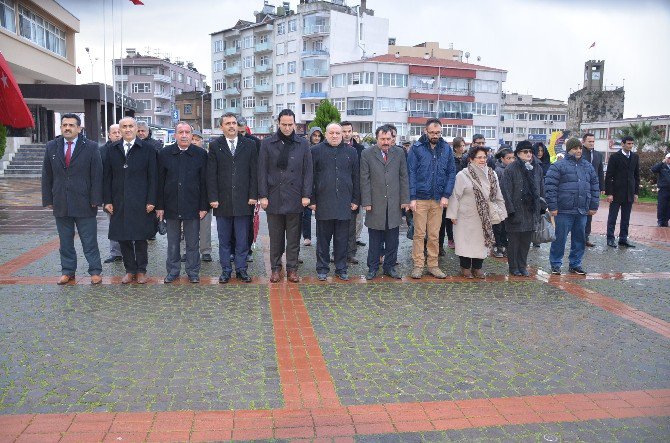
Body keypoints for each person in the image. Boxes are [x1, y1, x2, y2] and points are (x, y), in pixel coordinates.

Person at [42, 113, 103, 285]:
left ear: (79, 128)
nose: (67, 128)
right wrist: (48, 199)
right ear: (60, 127)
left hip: (85, 202)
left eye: (71, 125)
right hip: (61, 201)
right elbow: (46, 174)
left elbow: (97, 174)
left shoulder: (90, 146)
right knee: (65, 241)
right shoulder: (51, 146)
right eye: (64, 125)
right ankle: (68, 271)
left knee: (89, 240)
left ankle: (95, 271)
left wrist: (96, 199)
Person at [258, 109, 313, 283]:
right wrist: (263, 196)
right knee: (275, 237)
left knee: (294, 237)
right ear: (278, 124)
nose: (287, 128)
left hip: (295, 197)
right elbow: (262, 171)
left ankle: (292, 268)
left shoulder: (303, 144)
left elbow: (308, 171)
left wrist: (306, 195)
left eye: (290, 125)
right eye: (284, 124)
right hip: (274, 196)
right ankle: (275, 268)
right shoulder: (267, 143)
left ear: (295, 124)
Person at [103, 117, 157, 284]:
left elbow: (153, 177)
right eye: (124, 127)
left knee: (140, 237)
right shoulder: (112, 149)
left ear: (136, 128)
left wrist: (152, 200)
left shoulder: (148, 149)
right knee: (123, 236)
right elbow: (106, 177)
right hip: (119, 201)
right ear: (120, 129)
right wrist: (107, 201)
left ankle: (141, 270)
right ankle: (129, 269)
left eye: (130, 126)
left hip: (141, 200)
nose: (127, 129)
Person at [207, 113, 258, 283]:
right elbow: (211, 175)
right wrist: (213, 197)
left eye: (234, 123)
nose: (231, 126)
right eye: (227, 123)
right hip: (222, 201)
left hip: (244, 201)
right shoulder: (215, 146)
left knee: (242, 240)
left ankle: (242, 269)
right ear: (221, 127)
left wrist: (253, 195)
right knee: (224, 240)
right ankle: (226, 270)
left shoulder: (249, 145)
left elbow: (254, 173)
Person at [156, 122, 208, 284]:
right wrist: (160, 206)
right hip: (171, 204)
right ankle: (173, 271)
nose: (184, 135)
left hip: (193, 204)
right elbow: (159, 181)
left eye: (187, 132)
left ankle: (193, 271)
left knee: (192, 242)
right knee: (173, 242)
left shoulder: (201, 154)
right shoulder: (164, 154)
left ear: (192, 136)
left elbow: (205, 182)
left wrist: (203, 206)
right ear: (175, 135)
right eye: (180, 132)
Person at [446, 145, 507, 278]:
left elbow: (497, 194)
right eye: (479, 157)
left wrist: (502, 211)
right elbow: (455, 195)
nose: (482, 160)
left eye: (484, 157)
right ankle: (465, 267)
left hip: (484, 215)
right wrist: (452, 214)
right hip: (466, 215)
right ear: (471, 159)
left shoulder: (492, 174)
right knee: (465, 242)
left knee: (482, 242)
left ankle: (478, 267)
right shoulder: (462, 175)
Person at [310, 123, 360, 281]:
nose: (335, 136)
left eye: (337, 133)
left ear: (343, 135)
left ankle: (341, 268)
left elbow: (356, 177)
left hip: (345, 202)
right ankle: (322, 268)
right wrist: (311, 199)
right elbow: (309, 177)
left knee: (342, 239)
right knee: (323, 239)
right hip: (323, 201)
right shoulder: (315, 151)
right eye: (331, 133)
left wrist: (356, 199)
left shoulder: (351, 152)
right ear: (326, 134)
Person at [407, 118, 456, 279]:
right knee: (419, 234)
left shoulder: (446, 149)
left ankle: (433, 265)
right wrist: (412, 197)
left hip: (438, 199)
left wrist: (446, 195)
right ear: (425, 131)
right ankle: (418, 265)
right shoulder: (416, 148)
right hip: (420, 198)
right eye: (432, 132)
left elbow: (451, 173)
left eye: (438, 132)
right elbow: (411, 173)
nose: (435, 135)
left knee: (434, 235)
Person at [360, 125, 409, 280]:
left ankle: (390, 266)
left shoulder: (399, 152)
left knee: (392, 239)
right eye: (383, 139)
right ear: (377, 138)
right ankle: (372, 268)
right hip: (375, 204)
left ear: (392, 138)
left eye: (388, 139)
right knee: (374, 239)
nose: (386, 142)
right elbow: (364, 179)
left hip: (394, 203)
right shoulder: (367, 154)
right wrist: (366, 201)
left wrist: (405, 200)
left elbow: (403, 177)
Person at [545, 138, 600, 275]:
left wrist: (593, 206)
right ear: (568, 149)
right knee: (560, 239)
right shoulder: (558, 166)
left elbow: (594, 187)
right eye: (575, 148)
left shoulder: (587, 166)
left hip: (582, 210)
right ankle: (556, 264)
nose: (578, 150)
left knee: (579, 239)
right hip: (563, 210)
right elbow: (550, 187)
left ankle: (576, 264)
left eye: (580, 148)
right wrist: (553, 207)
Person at [501, 141, 546, 277]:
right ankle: (513, 266)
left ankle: (522, 265)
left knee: (526, 241)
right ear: (518, 153)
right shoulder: (511, 169)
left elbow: (541, 188)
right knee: (514, 242)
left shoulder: (536, 167)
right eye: (525, 152)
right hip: (515, 211)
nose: (528, 154)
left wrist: (542, 206)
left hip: (531, 210)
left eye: (530, 152)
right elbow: (505, 191)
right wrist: (510, 211)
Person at [605, 136, 640, 248]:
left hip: (629, 193)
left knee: (626, 218)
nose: (630, 146)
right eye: (628, 143)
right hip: (616, 193)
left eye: (632, 144)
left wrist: (636, 193)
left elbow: (636, 176)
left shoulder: (635, 157)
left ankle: (623, 239)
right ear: (623, 144)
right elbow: (609, 176)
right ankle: (610, 238)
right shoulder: (615, 157)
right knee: (612, 217)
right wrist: (609, 193)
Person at [236, 117, 261, 263]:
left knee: (248, 222)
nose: (240, 133)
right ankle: (235, 250)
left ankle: (248, 249)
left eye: (242, 131)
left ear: (246, 128)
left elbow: (258, 167)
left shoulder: (255, 142)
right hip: (234, 188)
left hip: (250, 188)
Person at [342, 121, 366, 264]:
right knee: (338, 226)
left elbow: (362, 173)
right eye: (343, 131)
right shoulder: (334, 147)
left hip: (354, 192)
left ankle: (351, 253)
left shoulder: (360, 149)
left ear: (352, 131)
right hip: (338, 192)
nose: (346, 134)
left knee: (353, 225)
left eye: (348, 131)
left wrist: (359, 197)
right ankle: (337, 252)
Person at [100, 123, 123, 264]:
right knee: (113, 223)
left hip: (127, 193)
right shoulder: (102, 151)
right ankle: (116, 252)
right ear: (109, 135)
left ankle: (129, 251)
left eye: (119, 132)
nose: (117, 134)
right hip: (110, 194)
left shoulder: (129, 148)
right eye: (114, 132)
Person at [439, 136, 466, 254]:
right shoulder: (449, 159)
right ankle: (446, 241)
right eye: (461, 145)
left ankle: (457, 239)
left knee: (458, 217)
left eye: (464, 145)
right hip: (449, 191)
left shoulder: (465, 159)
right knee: (445, 219)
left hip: (462, 192)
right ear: (455, 148)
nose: (463, 148)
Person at [191, 131, 213, 262]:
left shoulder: (206, 155)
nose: (194, 141)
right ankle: (185, 251)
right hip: (187, 196)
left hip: (204, 194)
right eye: (192, 139)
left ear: (202, 141)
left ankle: (205, 250)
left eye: (197, 139)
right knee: (185, 226)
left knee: (205, 226)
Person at [581, 133, 605, 247]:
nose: (591, 143)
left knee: (590, 212)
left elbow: (600, 171)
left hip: (593, 187)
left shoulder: (598, 155)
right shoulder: (580, 153)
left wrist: (602, 187)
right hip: (581, 187)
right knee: (580, 212)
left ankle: (586, 237)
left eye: (593, 141)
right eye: (589, 141)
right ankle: (578, 237)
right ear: (583, 141)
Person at [302, 126, 324, 247]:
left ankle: (320, 236)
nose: (316, 138)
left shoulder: (324, 149)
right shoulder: (306, 148)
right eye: (314, 135)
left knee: (322, 213)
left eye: (318, 136)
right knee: (307, 213)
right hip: (309, 183)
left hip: (320, 184)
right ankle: (307, 236)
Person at [491, 146, 515, 258]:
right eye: (508, 158)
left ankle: (505, 245)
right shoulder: (498, 171)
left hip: (509, 202)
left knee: (506, 226)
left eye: (512, 158)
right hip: (499, 202)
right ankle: (498, 245)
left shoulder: (513, 170)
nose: (511, 161)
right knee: (498, 226)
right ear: (502, 159)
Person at [651, 153, 670, 227]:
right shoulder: (662, 166)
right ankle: (660, 221)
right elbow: (653, 169)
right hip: (663, 189)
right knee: (662, 205)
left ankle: (666, 220)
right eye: (668, 158)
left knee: (668, 206)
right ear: (665, 158)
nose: (669, 160)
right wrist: (662, 162)